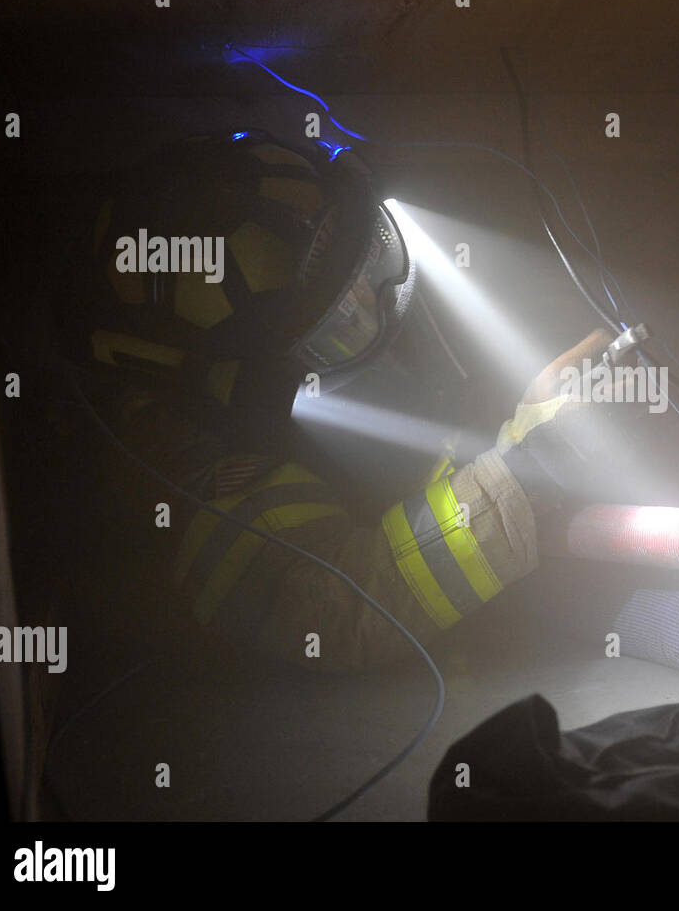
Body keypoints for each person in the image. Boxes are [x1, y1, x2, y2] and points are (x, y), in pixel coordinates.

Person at [65, 130, 619, 671]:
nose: (367, 305)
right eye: (338, 324)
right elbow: (336, 607)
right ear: (234, 382)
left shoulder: (305, 306)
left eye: (370, 264)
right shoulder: (183, 462)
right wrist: (535, 465)